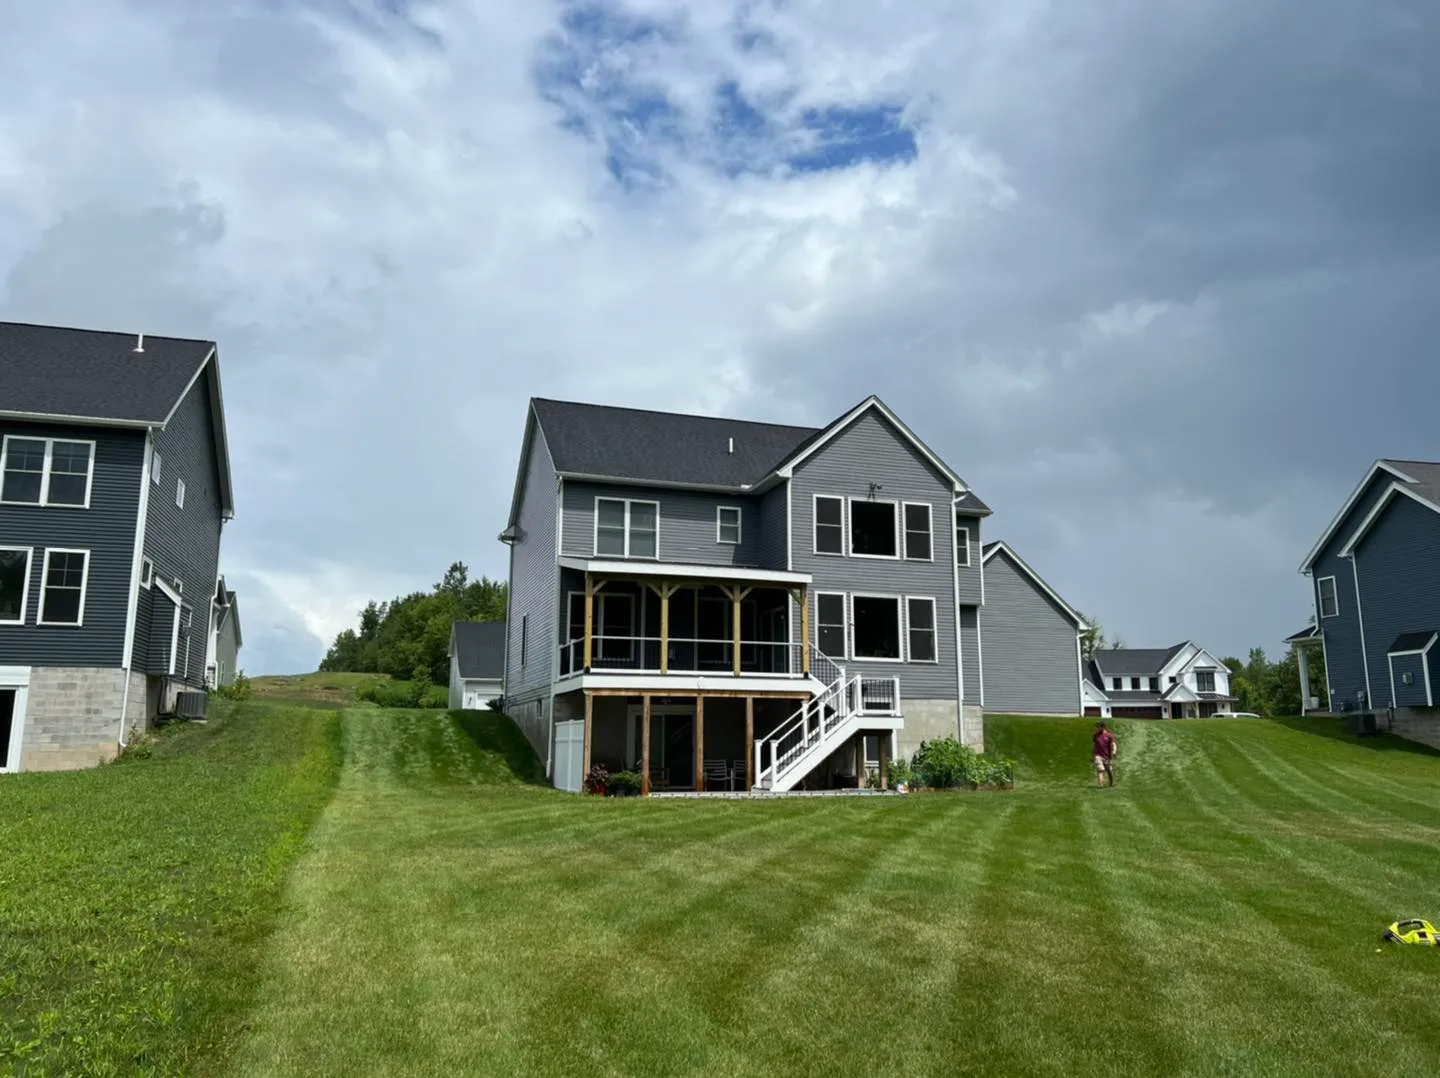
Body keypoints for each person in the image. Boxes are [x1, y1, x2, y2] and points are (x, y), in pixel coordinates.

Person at [1092, 722, 1117, 787]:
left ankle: (1111, 783)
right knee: (1101, 770)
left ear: (1103, 727)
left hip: (1107, 756)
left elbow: (1114, 744)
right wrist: (1093, 755)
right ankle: (1101, 785)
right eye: (1097, 726)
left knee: (1109, 771)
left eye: (1098, 727)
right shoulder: (1095, 735)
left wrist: (1114, 751)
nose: (1097, 728)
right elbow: (1094, 745)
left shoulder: (1109, 735)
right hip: (1098, 756)